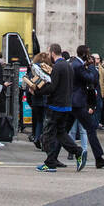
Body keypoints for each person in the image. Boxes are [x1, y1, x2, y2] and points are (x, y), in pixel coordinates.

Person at [37, 43, 86, 172]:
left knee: (48, 134)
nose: (48, 56)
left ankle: (51, 162)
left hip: (56, 105)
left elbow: (52, 87)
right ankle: (76, 152)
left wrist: (37, 89)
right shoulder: (68, 66)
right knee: (60, 133)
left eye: (49, 53)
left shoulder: (58, 67)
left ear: (53, 53)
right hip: (66, 105)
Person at [67, 45, 104, 168]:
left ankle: (52, 157)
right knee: (90, 129)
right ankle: (99, 158)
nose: (89, 57)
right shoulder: (79, 66)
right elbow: (92, 78)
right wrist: (91, 66)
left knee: (64, 130)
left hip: (73, 102)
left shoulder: (74, 63)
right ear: (84, 54)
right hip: (78, 102)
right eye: (88, 54)